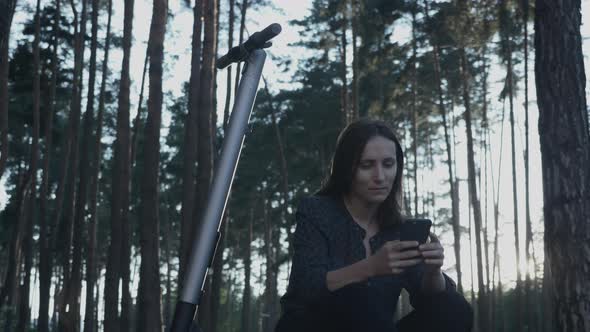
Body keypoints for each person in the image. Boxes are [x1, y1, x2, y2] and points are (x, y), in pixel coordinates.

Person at [275, 119, 473, 332]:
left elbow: (428, 298)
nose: (380, 177)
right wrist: (370, 267)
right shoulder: (317, 212)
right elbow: (306, 287)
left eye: (388, 164)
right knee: (357, 297)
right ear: (346, 169)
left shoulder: (398, 229)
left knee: (454, 308)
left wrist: (433, 272)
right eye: (366, 165)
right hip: (309, 326)